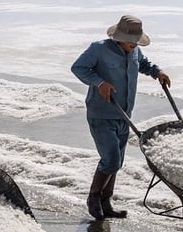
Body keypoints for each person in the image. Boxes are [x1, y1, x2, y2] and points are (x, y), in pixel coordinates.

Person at [71, 14, 171, 221]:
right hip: (102, 114)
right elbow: (78, 68)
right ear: (118, 37)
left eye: (136, 42)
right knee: (111, 159)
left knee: (117, 161)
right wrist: (99, 83)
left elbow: (143, 64)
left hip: (124, 114)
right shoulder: (98, 49)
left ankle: (106, 203)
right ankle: (94, 198)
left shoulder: (134, 51)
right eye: (130, 42)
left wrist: (157, 72)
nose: (134, 45)